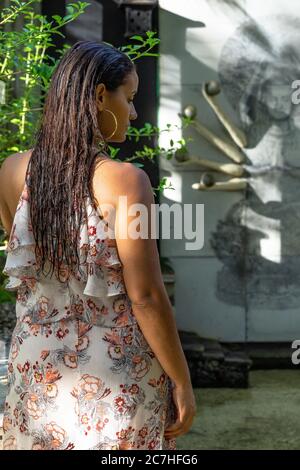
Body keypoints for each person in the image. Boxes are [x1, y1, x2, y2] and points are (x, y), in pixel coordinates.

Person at [0, 40, 196, 450]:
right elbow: (145, 296)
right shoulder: (126, 180)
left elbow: (30, 272)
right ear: (101, 95)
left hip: (35, 370)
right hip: (114, 375)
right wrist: (181, 379)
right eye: (130, 97)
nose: (135, 111)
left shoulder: (12, 171)